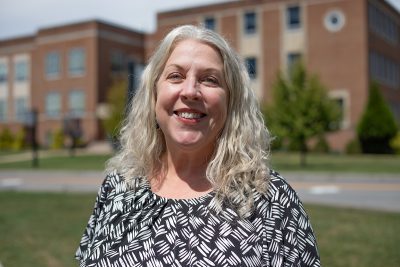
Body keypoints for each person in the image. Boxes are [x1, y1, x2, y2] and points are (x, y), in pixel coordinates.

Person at [76, 25, 321, 267]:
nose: (191, 91)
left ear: (231, 102)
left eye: (210, 79)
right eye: (176, 76)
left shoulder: (271, 199)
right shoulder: (118, 188)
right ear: (154, 94)